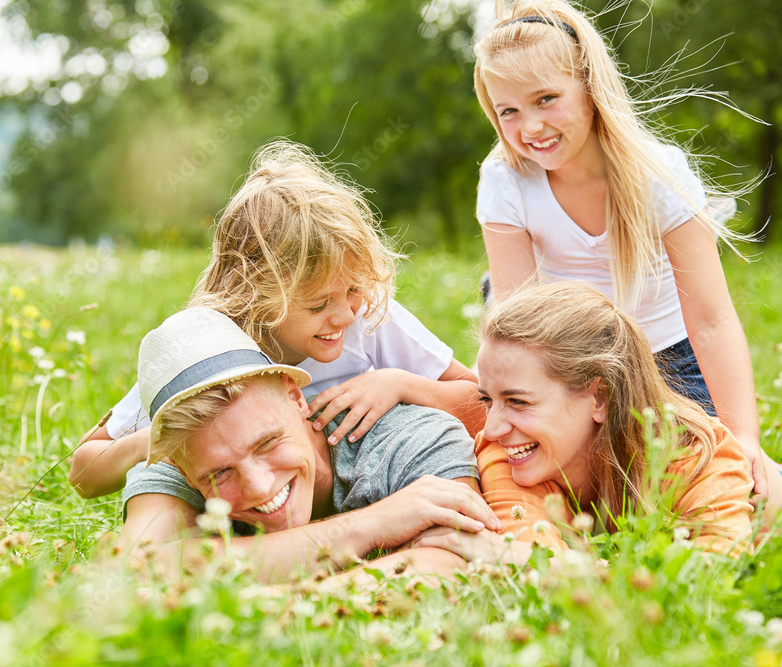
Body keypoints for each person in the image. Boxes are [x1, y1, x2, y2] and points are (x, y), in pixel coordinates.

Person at [472, 0, 781, 507]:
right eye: (509, 111)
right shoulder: (506, 180)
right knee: (543, 472)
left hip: (665, 360)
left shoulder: (657, 176)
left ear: (590, 88)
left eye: (547, 99)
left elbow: (710, 321)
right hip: (558, 359)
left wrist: (742, 436)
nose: (530, 127)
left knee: (701, 479)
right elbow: (519, 327)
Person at [71, 140, 484, 498]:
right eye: (318, 305)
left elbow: (485, 403)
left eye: (353, 289)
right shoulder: (209, 348)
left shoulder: (371, 316)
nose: (343, 314)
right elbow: (84, 472)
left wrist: (400, 384)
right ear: (255, 295)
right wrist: (172, 435)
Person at [115, 306, 499, 582]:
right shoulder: (183, 464)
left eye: (266, 443)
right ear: (182, 471)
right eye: (220, 473)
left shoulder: (412, 438)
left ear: (295, 397)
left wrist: (246, 594)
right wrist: (372, 524)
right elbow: (135, 571)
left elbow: (457, 560)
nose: (260, 486)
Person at [413, 282, 760, 566]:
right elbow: (527, 560)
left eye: (518, 401)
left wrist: (551, 565)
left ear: (600, 397)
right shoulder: (508, 453)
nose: (490, 429)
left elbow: (716, 574)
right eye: (487, 400)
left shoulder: (699, 452)